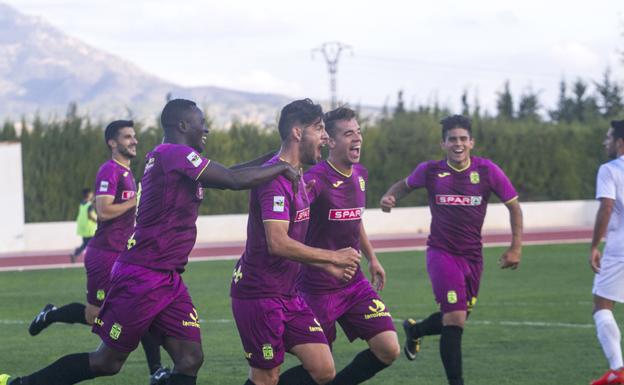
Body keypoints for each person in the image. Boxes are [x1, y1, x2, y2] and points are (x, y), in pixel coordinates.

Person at [1, 98, 299, 385]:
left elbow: (231, 173)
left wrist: (276, 157)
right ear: (183, 124)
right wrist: (282, 167)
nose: (206, 129)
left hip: (167, 278)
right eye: (201, 123)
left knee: (190, 358)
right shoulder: (174, 154)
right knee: (107, 362)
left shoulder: (176, 159)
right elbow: (234, 181)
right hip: (142, 275)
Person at [379, 114, 523, 385]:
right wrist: (390, 196)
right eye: (452, 139)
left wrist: (516, 247)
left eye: (462, 139)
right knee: (455, 318)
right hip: (441, 253)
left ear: (471, 142)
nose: (458, 144)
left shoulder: (488, 170)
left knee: (457, 318)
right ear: (443, 144)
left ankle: (416, 330)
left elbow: (514, 206)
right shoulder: (431, 171)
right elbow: (404, 185)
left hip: (473, 257)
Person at [229, 99, 361, 385]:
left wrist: (328, 268)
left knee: (324, 368)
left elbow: (297, 239)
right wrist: (334, 258)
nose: (326, 137)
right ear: (297, 132)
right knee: (266, 377)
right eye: (319, 128)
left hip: (288, 295)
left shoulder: (296, 174)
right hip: (259, 295)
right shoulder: (274, 178)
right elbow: (278, 243)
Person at [28, 120, 168, 383]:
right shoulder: (109, 171)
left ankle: (156, 371)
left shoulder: (127, 172)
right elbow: (103, 211)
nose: (134, 140)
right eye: (127, 137)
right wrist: (136, 200)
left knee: (142, 308)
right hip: (105, 256)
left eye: (134, 136)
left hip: (124, 256)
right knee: (95, 316)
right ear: (112, 143)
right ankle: (52, 314)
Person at [299, 106, 400, 385]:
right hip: (316, 288)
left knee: (388, 348)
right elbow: (291, 235)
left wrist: (372, 259)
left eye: (358, 132)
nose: (357, 138)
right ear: (330, 141)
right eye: (348, 134)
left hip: (353, 284)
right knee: (320, 369)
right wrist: (327, 263)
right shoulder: (314, 181)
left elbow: (355, 220)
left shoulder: (361, 175)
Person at [588, 120, 624, 385]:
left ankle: (617, 371)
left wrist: (594, 245)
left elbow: (607, 207)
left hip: (620, 248)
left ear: (620, 142)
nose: (605, 142)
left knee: (602, 304)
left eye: (609, 138)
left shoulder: (610, 169)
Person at [70, 188, 97, 263]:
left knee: (86, 243)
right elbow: (90, 216)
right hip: (89, 228)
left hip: (83, 227)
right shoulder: (89, 205)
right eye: (91, 194)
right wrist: (97, 221)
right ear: (89, 195)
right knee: (94, 243)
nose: (93, 195)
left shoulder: (81, 204)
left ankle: (76, 253)